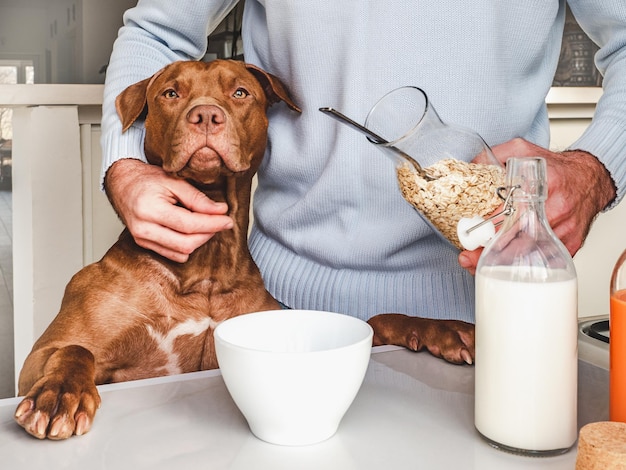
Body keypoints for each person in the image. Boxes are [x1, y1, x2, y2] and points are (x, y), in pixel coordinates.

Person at [101, 1, 622, 328]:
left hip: (488, 309)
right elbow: (157, 34)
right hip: (273, 307)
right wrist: (126, 167)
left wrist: (596, 167)